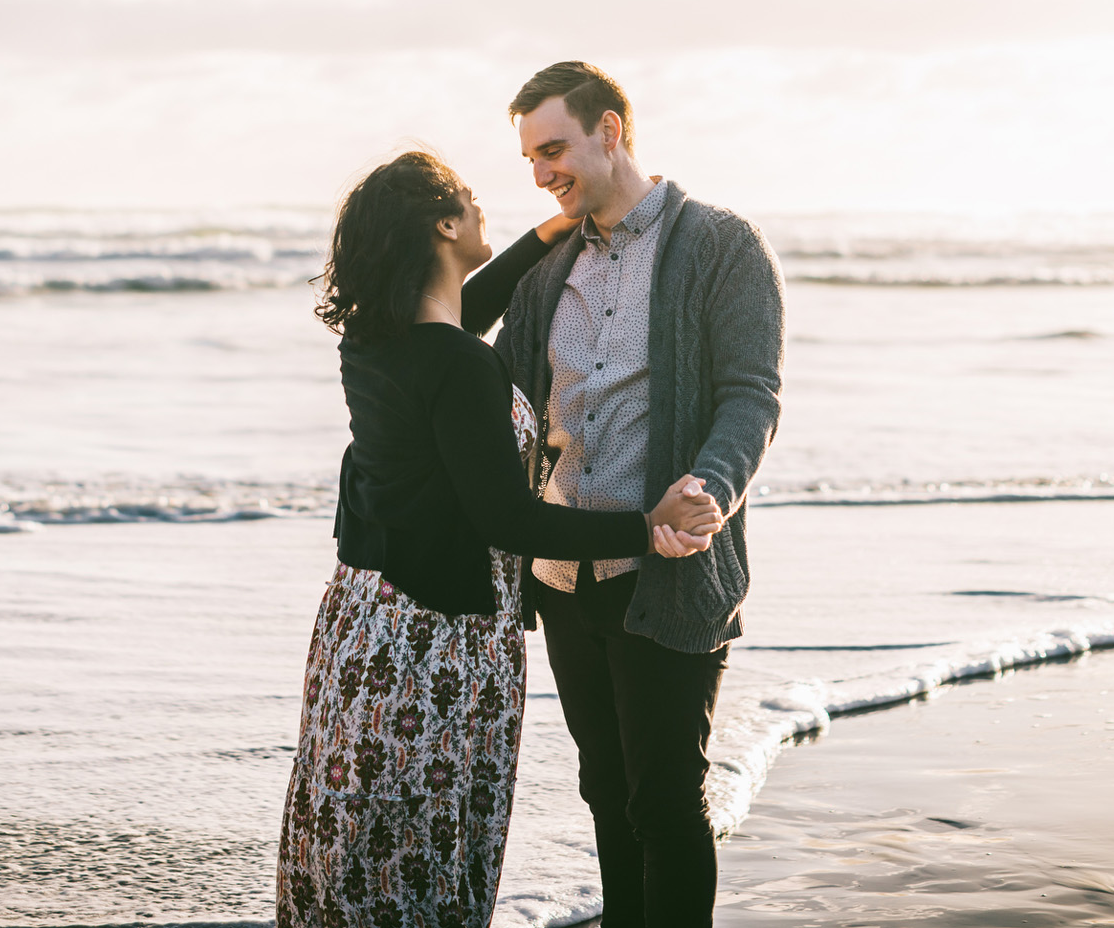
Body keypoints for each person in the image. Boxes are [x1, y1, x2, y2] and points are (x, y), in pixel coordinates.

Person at [277, 150, 726, 928]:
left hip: (363, 627)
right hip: (436, 647)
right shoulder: (456, 365)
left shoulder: (376, 341)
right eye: (471, 198)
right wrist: (647, 528)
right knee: (424, 852)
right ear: (445, 226)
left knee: (360, 847)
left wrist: (552, 231)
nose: (485, 207)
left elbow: (463, 316)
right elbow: (510, 522)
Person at [493, 63, 786, 928]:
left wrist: (711, 488)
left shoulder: (721, 244)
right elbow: (483, 372)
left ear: (610, 130)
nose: (541, 173)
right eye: (530, 158)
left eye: (553, 150)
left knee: (664, 799)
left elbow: (751, 394)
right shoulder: (547, 272)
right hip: (563, 578)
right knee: (606, 790)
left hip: (669, 570)